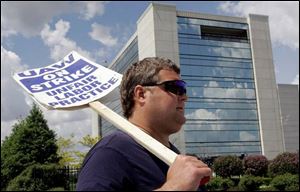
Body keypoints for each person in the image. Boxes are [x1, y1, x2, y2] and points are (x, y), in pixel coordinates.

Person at [76, 57, 211, 191]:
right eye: (176, 88)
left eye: (183, 89)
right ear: (141, 94)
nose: (184, 97)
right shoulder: (110, 153)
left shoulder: (176, 157)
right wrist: (174, 187)